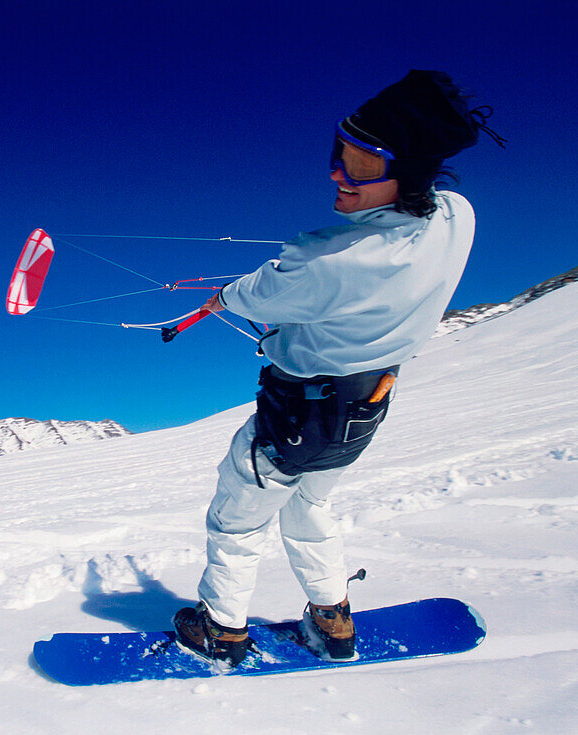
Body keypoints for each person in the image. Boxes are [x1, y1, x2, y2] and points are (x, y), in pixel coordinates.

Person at [173, 70, 504, 667]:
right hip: (363, 415)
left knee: (236, 519)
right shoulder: (458, 217)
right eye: (338, 156)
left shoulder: (325, 261)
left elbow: (257, 293)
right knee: (310, 508)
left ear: (406, 173)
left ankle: (220, 630)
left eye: (361, 167)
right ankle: (333, 622)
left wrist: (220, 299)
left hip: (295, 418)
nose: (337, 175)